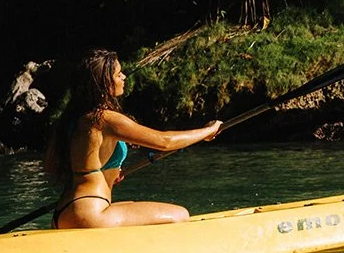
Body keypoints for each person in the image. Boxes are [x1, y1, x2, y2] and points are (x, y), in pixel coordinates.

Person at [47, 49, 222, 229]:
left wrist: (107, 172)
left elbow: (53, 166)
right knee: (180, 215)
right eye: (118, 73)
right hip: (92, 214)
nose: (123, 76)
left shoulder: (71, 119)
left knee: (130, 204)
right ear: (104, 83)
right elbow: (164, 141)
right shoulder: (105, 119)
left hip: (64, 213)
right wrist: (207, 131)